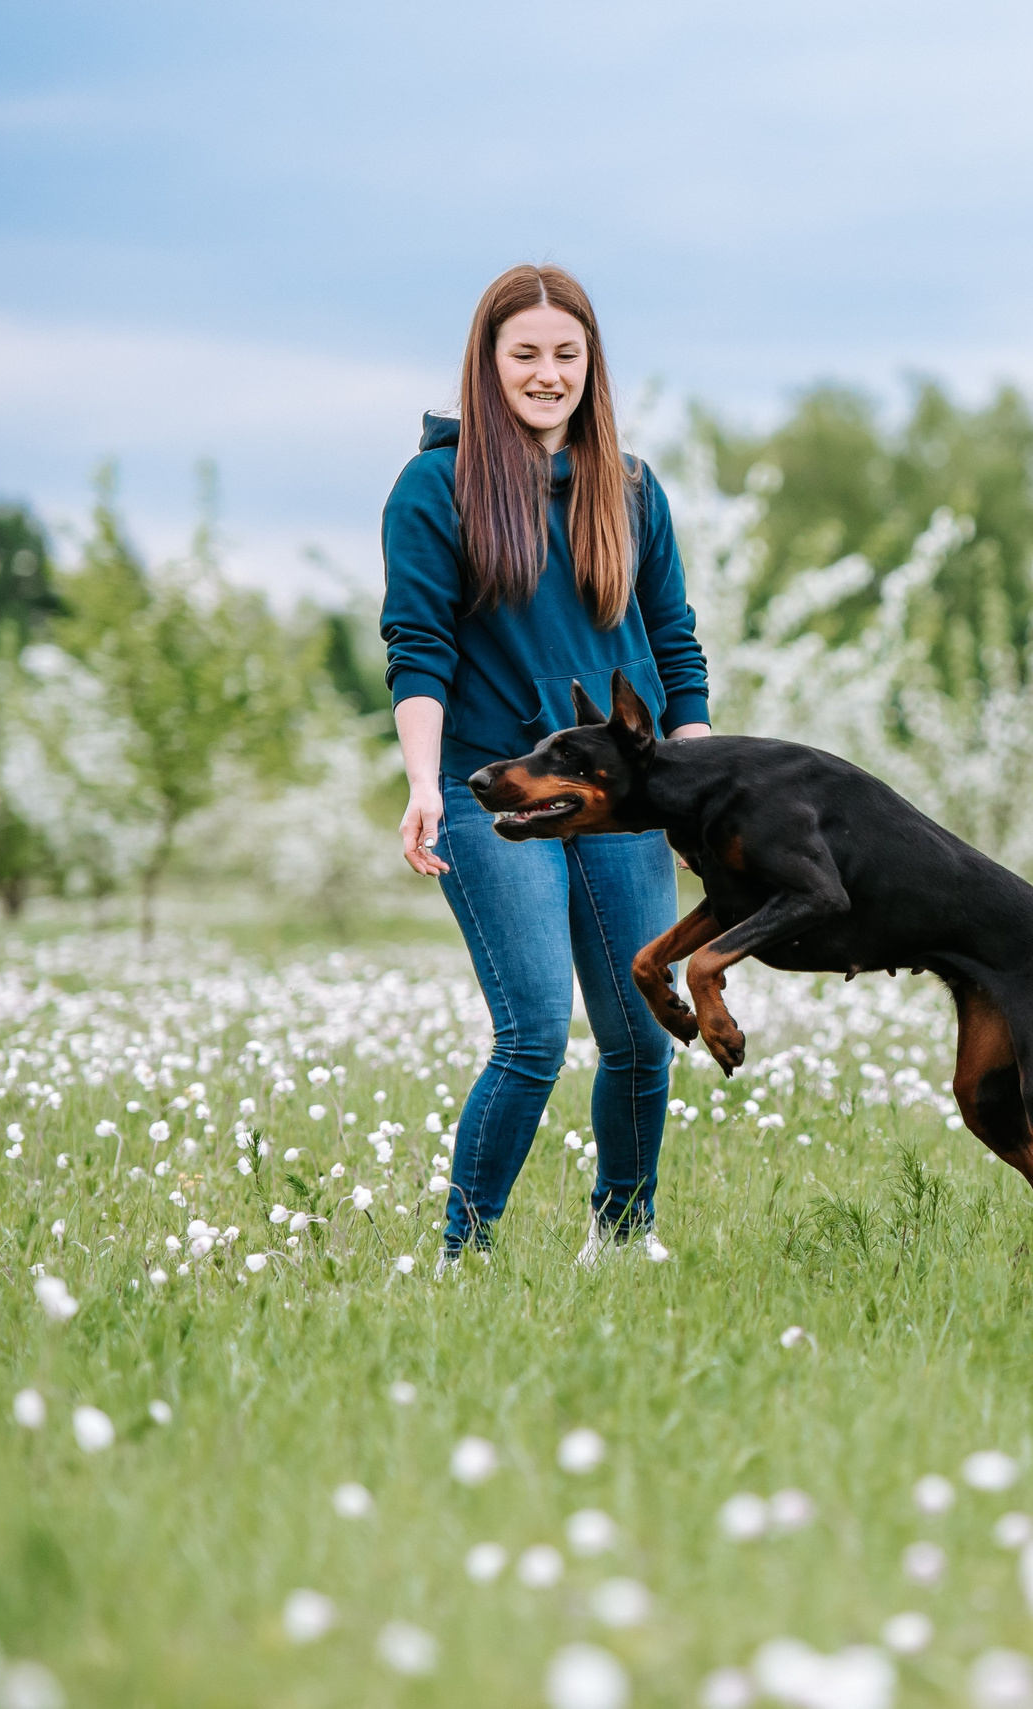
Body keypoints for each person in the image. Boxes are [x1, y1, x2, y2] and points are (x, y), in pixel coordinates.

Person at [380, 263, 711, 1270]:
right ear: (488, 363)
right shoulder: (437, 488)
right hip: (495, 797)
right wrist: (423, 783)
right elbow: (417, 646)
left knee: (641, 1035)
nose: (546, 373)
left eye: (566, 355)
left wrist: (701, 789)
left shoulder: (632, 489)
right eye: (524, 354)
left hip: (621, 803)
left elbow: (676, 648)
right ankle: (463, 1252)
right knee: (532, 1033)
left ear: (589, 366)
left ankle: (621, 1233)